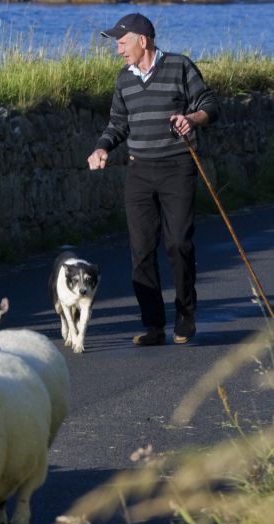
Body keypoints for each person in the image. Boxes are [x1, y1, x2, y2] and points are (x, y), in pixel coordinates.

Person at [87, 13, 219, 346]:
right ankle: (154, 325)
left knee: (178, 244)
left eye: (121, 42)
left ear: (142, 40)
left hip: (178, 167)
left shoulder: (180, 66)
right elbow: (117, 124)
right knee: (141, 251)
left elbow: (209, 105)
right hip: (140, 171)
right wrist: (102, 148)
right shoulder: (124, 80)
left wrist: (192, 118)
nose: (118, 50)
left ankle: (185, 317)